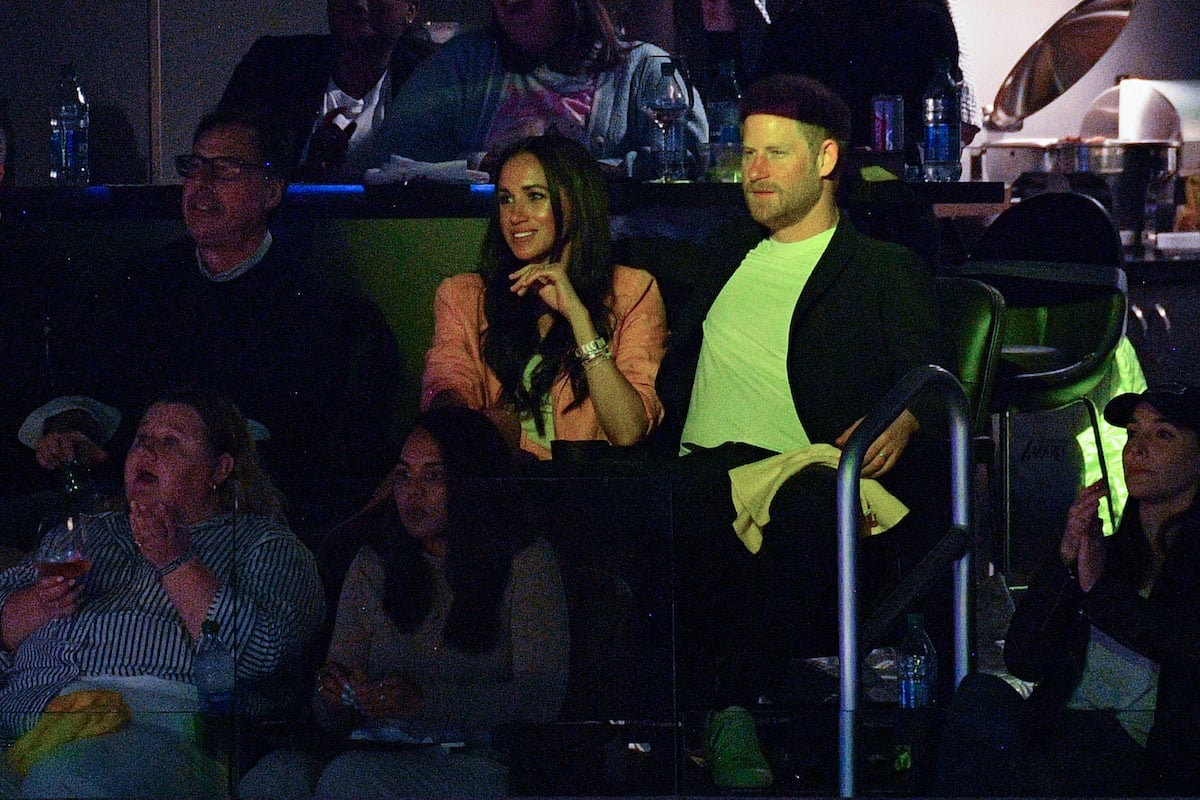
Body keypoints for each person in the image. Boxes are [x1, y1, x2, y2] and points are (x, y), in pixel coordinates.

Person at [660, 73, 951, 788]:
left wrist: (907, 413)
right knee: (601, 492)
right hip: (700, 469)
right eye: (746, 151)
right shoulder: (726, 249)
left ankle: (726, 711)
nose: (752, 169)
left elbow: (937, 380)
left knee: (810, 505)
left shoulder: (881, 268)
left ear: (825, 161)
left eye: (775, 153)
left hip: (802, 473)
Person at [30, 106, 402, 546]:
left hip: (235, 527)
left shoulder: (310, 307)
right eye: (195, 167)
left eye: (226, 169)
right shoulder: (144, 281)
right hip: (123, 504)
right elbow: (92, 383)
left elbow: (301, 460)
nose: (202, 186)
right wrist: (75, 427)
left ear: (271, 191)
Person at [0, 388, 325, 798]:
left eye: (169, 441)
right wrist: (40, 603)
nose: (146, 451)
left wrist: (175, 563)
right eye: (141, 439)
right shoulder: (86, 531)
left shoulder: (263, 544)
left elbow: (264, 654)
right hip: (25, 723)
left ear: (219, 469)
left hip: (153, 729)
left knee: (68, 781)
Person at [237, 406, 569, 798]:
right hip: (372, 745)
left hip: (472, 757)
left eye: (434, 476)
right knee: (272, 779)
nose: (412, 493)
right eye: (402, 475)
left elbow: (540, 698)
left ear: (471, 481)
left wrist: (423, 701)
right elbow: (331, 714)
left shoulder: (524, 562)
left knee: (351, 780)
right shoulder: (374, 564)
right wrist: (336, 693)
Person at [935, 383, 1200, 797]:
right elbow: (1023, 659)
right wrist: (1065, 559)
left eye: (1162, 434)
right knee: (978, 696)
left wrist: (1096, 590)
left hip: (1141, 753)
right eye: (1133, 433)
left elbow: (1183, 643)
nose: (1138, 449)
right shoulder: (1111, 553)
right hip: (1066, 727)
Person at [421, 133, 667, 460]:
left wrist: (579, 318)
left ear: (576, 203)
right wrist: (473, 422)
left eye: (535, 196)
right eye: (506, 199)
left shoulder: (632, 291)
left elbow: (628, 430)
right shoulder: (464, 297)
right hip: (499, 492)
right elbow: (447, 386)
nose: (515, 215)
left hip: (586, 495)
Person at [364, 0, 707, 169]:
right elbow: (392, 159)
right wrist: (482, 164)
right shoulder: (462, 64)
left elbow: (692, 163)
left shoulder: (647, 69)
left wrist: (599, 173)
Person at [218, 0, 437, 182]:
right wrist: (305, 168)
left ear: (410, 10)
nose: (358, 2)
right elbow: (225, 162)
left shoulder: (432, 76)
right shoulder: (273, 65)